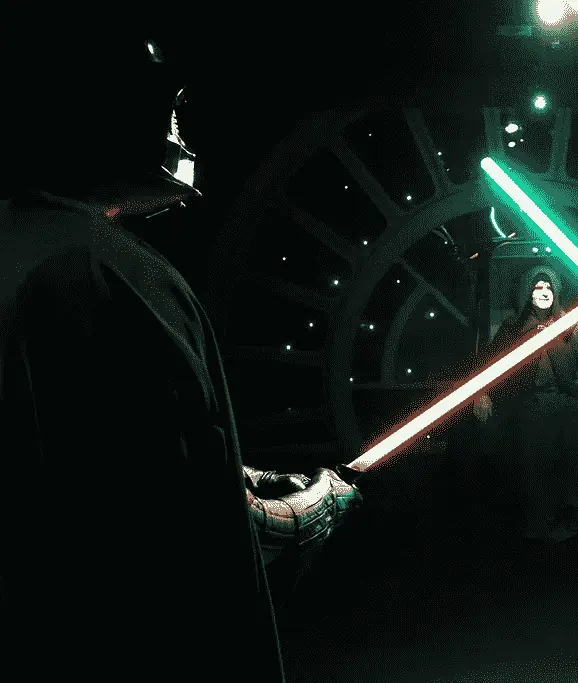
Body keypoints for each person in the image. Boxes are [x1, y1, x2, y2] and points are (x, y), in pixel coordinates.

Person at [0, 34, 355, 680]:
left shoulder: (25, 247)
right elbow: (179, 519)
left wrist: (241, 475)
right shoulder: (118, 278)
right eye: (164, 107)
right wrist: (307, 513)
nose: (178, 132)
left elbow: (107, 448)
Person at [472, 268, 578, 543]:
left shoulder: (569, 324)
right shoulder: (513, 328)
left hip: (568, 400)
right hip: (531, 402)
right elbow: (491, 363)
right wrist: (481, 393)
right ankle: (539, 523)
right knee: (534, 462)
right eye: (538, 287)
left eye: (549, 287)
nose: (544, 292)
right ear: (528, 293)